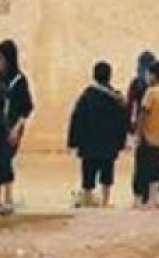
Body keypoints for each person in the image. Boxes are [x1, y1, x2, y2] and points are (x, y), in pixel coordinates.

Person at [67, 61, 129, 209]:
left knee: (88, 173)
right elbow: (123, 122)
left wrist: (73, 141)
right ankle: (105, 201)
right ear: (109, 76)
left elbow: (77, 118)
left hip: (89, 145)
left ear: (94, 76)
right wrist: (121, 142)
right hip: (109, 145)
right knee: (107, 173)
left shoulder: (87, 96)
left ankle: (87, 199)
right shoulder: (116, 98)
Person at [0, 39, 34, 214]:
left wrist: (16, 128)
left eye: (0, 58)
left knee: (5, 160)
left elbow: (27, 107)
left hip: (13, 126)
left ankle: (8, 198)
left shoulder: (20, 80)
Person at [128, 51, 156, 204]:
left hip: (143, 129)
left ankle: (140, 195)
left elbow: (130, 107)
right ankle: (152, 196)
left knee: (141, 162)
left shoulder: (136, 83)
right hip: (155, 130)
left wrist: (131, 130)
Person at [134, 62, 159, 209]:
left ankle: (144, 199)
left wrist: (138, 133)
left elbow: (143, 113)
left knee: (145, 168)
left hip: (149, 137)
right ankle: (154, 199)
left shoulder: (151, 92)